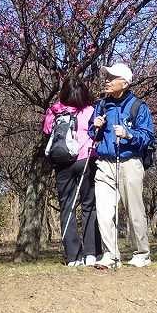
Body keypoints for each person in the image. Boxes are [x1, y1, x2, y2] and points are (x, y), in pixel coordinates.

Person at [90, 63, 154, 269]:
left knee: (135, 210)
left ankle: (142, 253)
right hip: (105, 163)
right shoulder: (101, 105)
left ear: (125, 83)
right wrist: (96, 127)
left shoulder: (138, 106)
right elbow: (93, 134)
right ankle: (111, 254)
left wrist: (129, 135)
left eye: (112, 77)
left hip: (129, 162)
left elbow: (148, 137)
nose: (107, 80)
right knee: (103, 211)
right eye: (106, 76)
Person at [43, 76, 100, 266]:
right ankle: (91, 253)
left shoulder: (54, 111)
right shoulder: (90, 111)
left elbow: (46, 131)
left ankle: (73, 256)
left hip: (62, 162)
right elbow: (96, 132)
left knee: (66, 207)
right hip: (85, 160)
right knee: (88, 205)